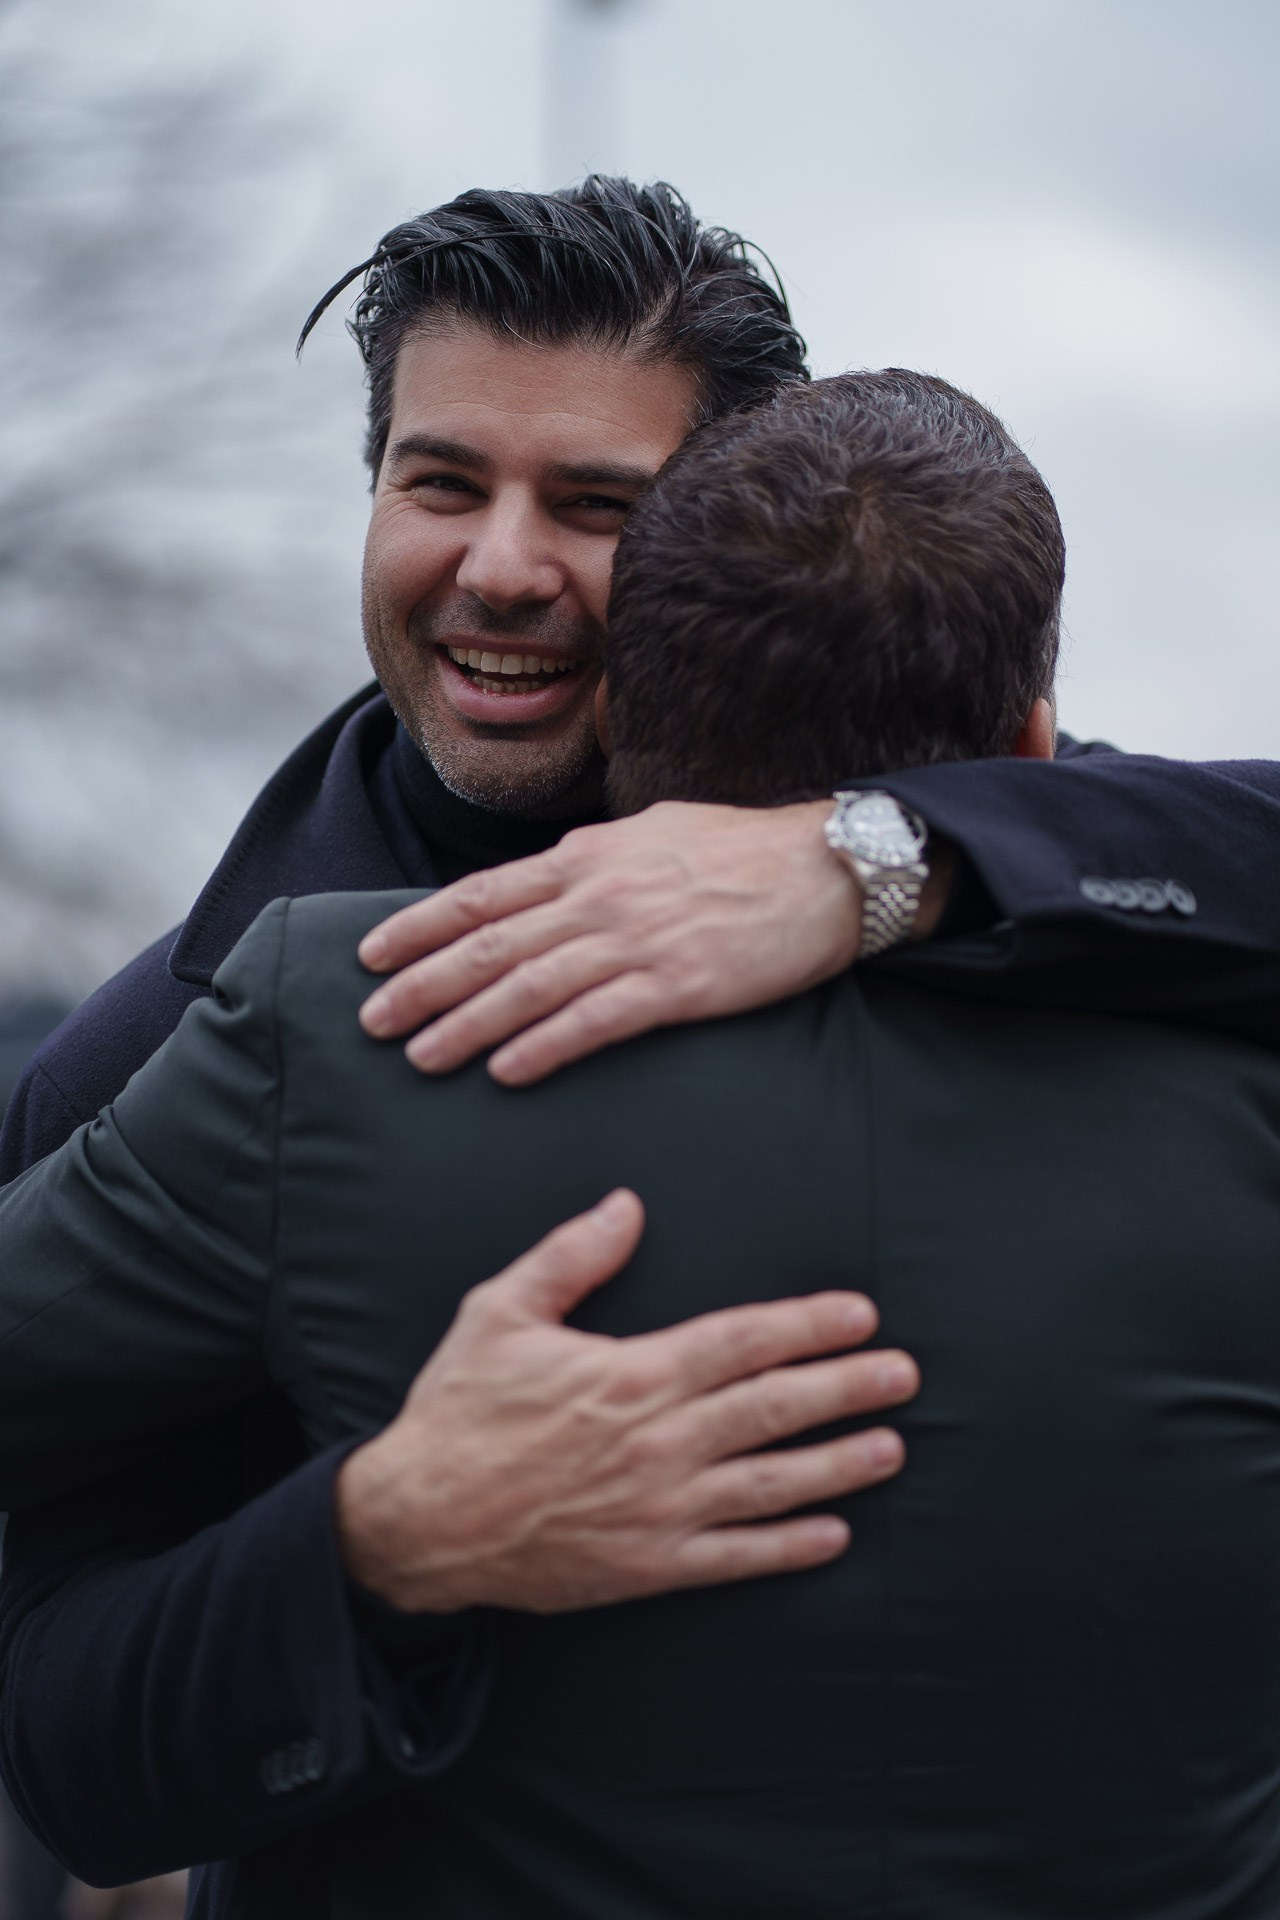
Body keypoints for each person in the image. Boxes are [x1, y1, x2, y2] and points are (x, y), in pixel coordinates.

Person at [3, 175, 1280, 1893]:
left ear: (732, 527)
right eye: (439, 481)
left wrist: (885, 862)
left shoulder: (1062, 888)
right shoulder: (155, 1062)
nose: (503, 568)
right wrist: (374, 1547)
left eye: (597, 503)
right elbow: (72, 1753)